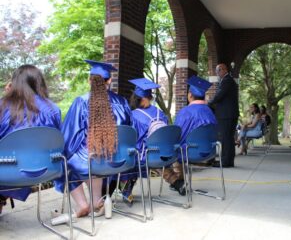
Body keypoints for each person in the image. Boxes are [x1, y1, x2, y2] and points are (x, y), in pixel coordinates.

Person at [55, 60, 132, 218]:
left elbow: (69, 137)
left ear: (89, 80)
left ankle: (83, 204)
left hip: (93, 160)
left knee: (65, 163)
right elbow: (130, 132)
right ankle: (97, 202)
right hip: (120, 159)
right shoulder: (123, 102)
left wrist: (64, 153)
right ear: (109, 80)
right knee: (95, 154)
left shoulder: (82, 101)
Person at [0, 65, 61, 214]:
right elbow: (58, 142)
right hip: (45, 169)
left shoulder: (3, 106)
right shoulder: (53, 108)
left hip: (6, 169)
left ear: (14, 83)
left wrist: (5, 96)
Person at [129, 78, 186, 196]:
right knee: (153, 152)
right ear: (149, 97)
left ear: (140, 98)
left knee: (130, 153)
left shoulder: (134, 115)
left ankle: (125, 190)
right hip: (166, 153)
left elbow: (135, 140)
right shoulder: (161, 113)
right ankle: (176, 182)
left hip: (147, 156)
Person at [174, 75, 217, 152]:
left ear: (190, 95)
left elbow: (177, 134)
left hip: (188, 152)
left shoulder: (185, 112)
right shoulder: (210, 112)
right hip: (208, 151)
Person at [208, 63, 239, 168]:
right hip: (230, 114)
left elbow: (219, 95)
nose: (217, 73)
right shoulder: (228, 80)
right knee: (229, 138)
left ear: (223, 70)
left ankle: (225, 162)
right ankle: (229, 161)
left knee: (225, 138)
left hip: (226, 115)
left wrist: (209, 103)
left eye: (218, 71)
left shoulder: (227, 81)